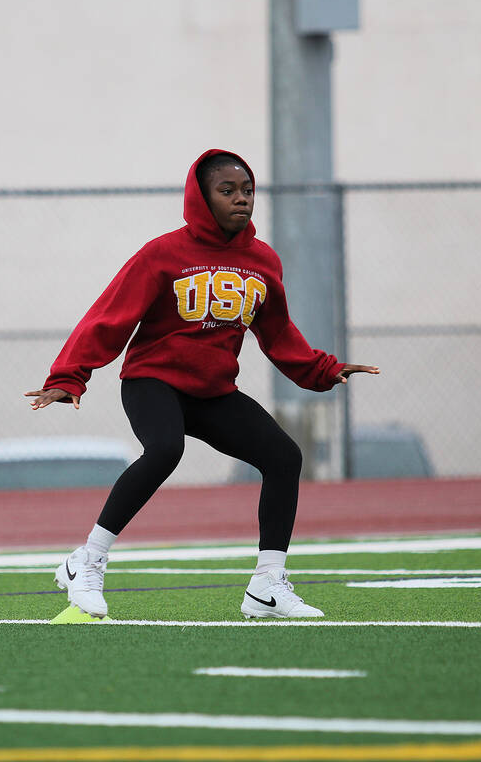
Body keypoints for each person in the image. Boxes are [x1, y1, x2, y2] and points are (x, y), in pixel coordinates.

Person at [27, 149, 379, 618]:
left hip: (212, 390)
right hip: (153, 381)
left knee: (284, 457)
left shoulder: (262, 261)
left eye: (248, 191)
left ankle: (267, 585)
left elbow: (277, 333)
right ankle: (86, 560)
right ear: (201, 196)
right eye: (227, 191)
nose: (241, 200)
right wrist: (70, 376)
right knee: (165, 449)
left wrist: (321, 369)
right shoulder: (163, 253)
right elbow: (111, 317)